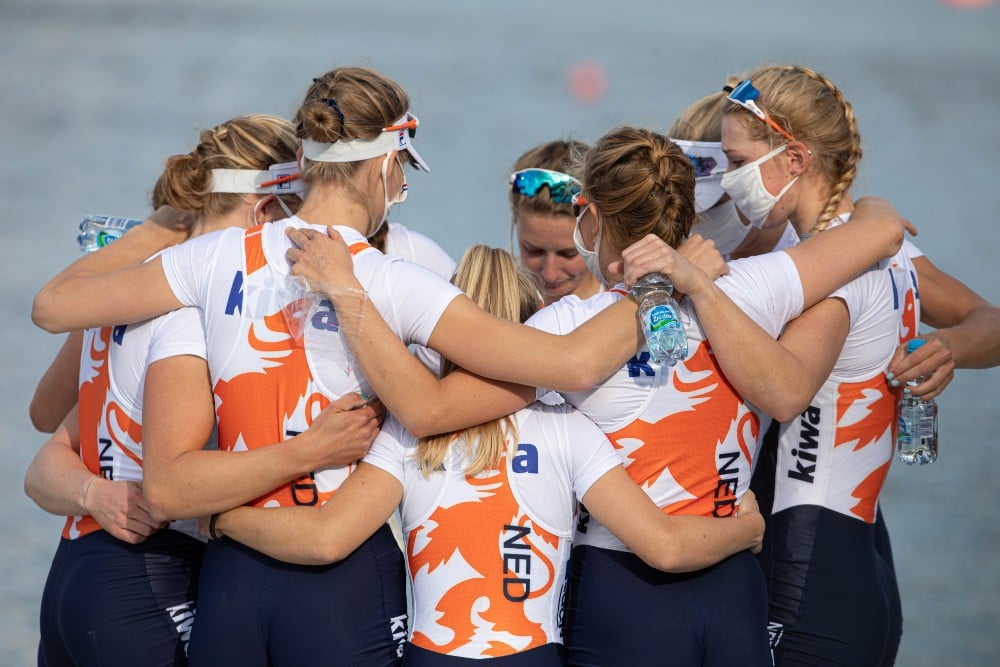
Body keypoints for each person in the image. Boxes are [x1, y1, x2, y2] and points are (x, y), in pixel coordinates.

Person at [31, 65, 672, 666]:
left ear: (305, 160)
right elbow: (572, 365)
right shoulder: (396, 282)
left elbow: (54, 309)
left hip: (232, 581)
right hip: (339, 593)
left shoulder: (210, 259)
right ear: (388, 164)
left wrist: (163, 230)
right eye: (403, 173)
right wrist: (659, 277)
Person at [264, 125, 906, 666]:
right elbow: (880, 231)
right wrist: (872, 207)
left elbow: (428, 411)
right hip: (734, 588)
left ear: (590, 217)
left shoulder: (564, 331)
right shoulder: (755, 287)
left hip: (625, 597)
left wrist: (348, 292)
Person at [206, 244, 766, 666]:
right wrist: (745, 530)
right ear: (531, 326)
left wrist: (221, 518)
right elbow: (665, 547)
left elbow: (326, 539)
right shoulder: (567, 429)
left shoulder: (409, 436)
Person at [22, 114, 349, 667]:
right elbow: (175, 484)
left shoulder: (122, 292)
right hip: (149, 576)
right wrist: (313, 451)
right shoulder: (196, 302)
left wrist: (94, 493)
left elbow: (46, 423)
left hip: (75, 575)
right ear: (265, 209)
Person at [710, 65, 922, 666]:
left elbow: (786, 392)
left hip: (807, 569)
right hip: (864, 557)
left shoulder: (838, 270)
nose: (728, 181)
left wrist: (699, 290)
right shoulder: (889, 250)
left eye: (737, 162)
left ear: (796, 159)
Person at [508, 140, 602, 304]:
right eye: (533, 250)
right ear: (515, 222)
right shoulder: (490, 300)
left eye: (568, 253)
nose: (549, 275)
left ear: (599, 229)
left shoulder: (633, 301)